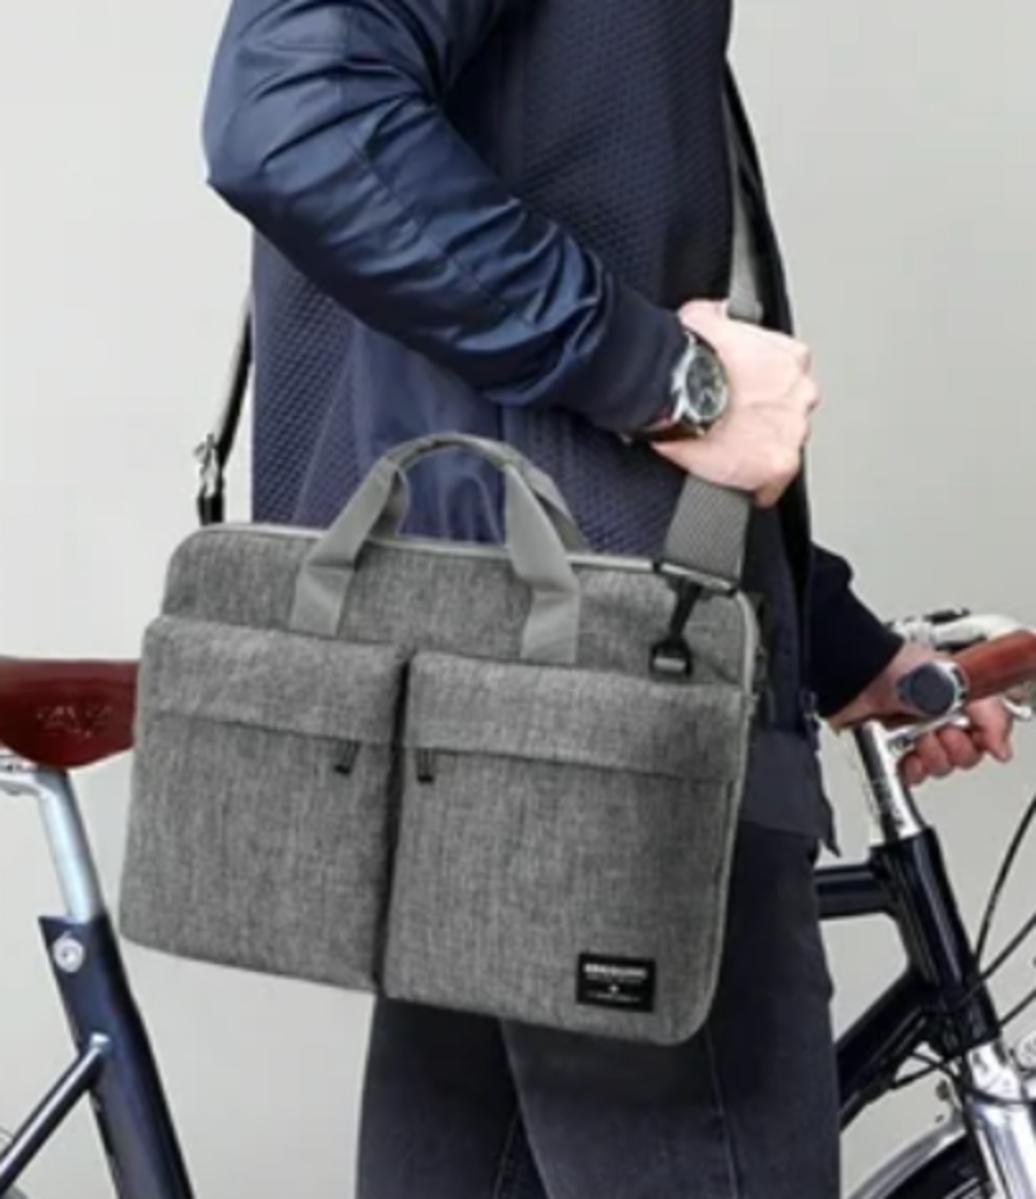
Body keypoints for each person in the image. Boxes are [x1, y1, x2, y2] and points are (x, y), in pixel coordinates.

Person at [199, 2, 1015, 1194]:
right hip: (611, 726)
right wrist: (673, 379)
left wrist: (838, 647)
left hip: (487, 701)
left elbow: (548, 285)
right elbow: (292, 113)